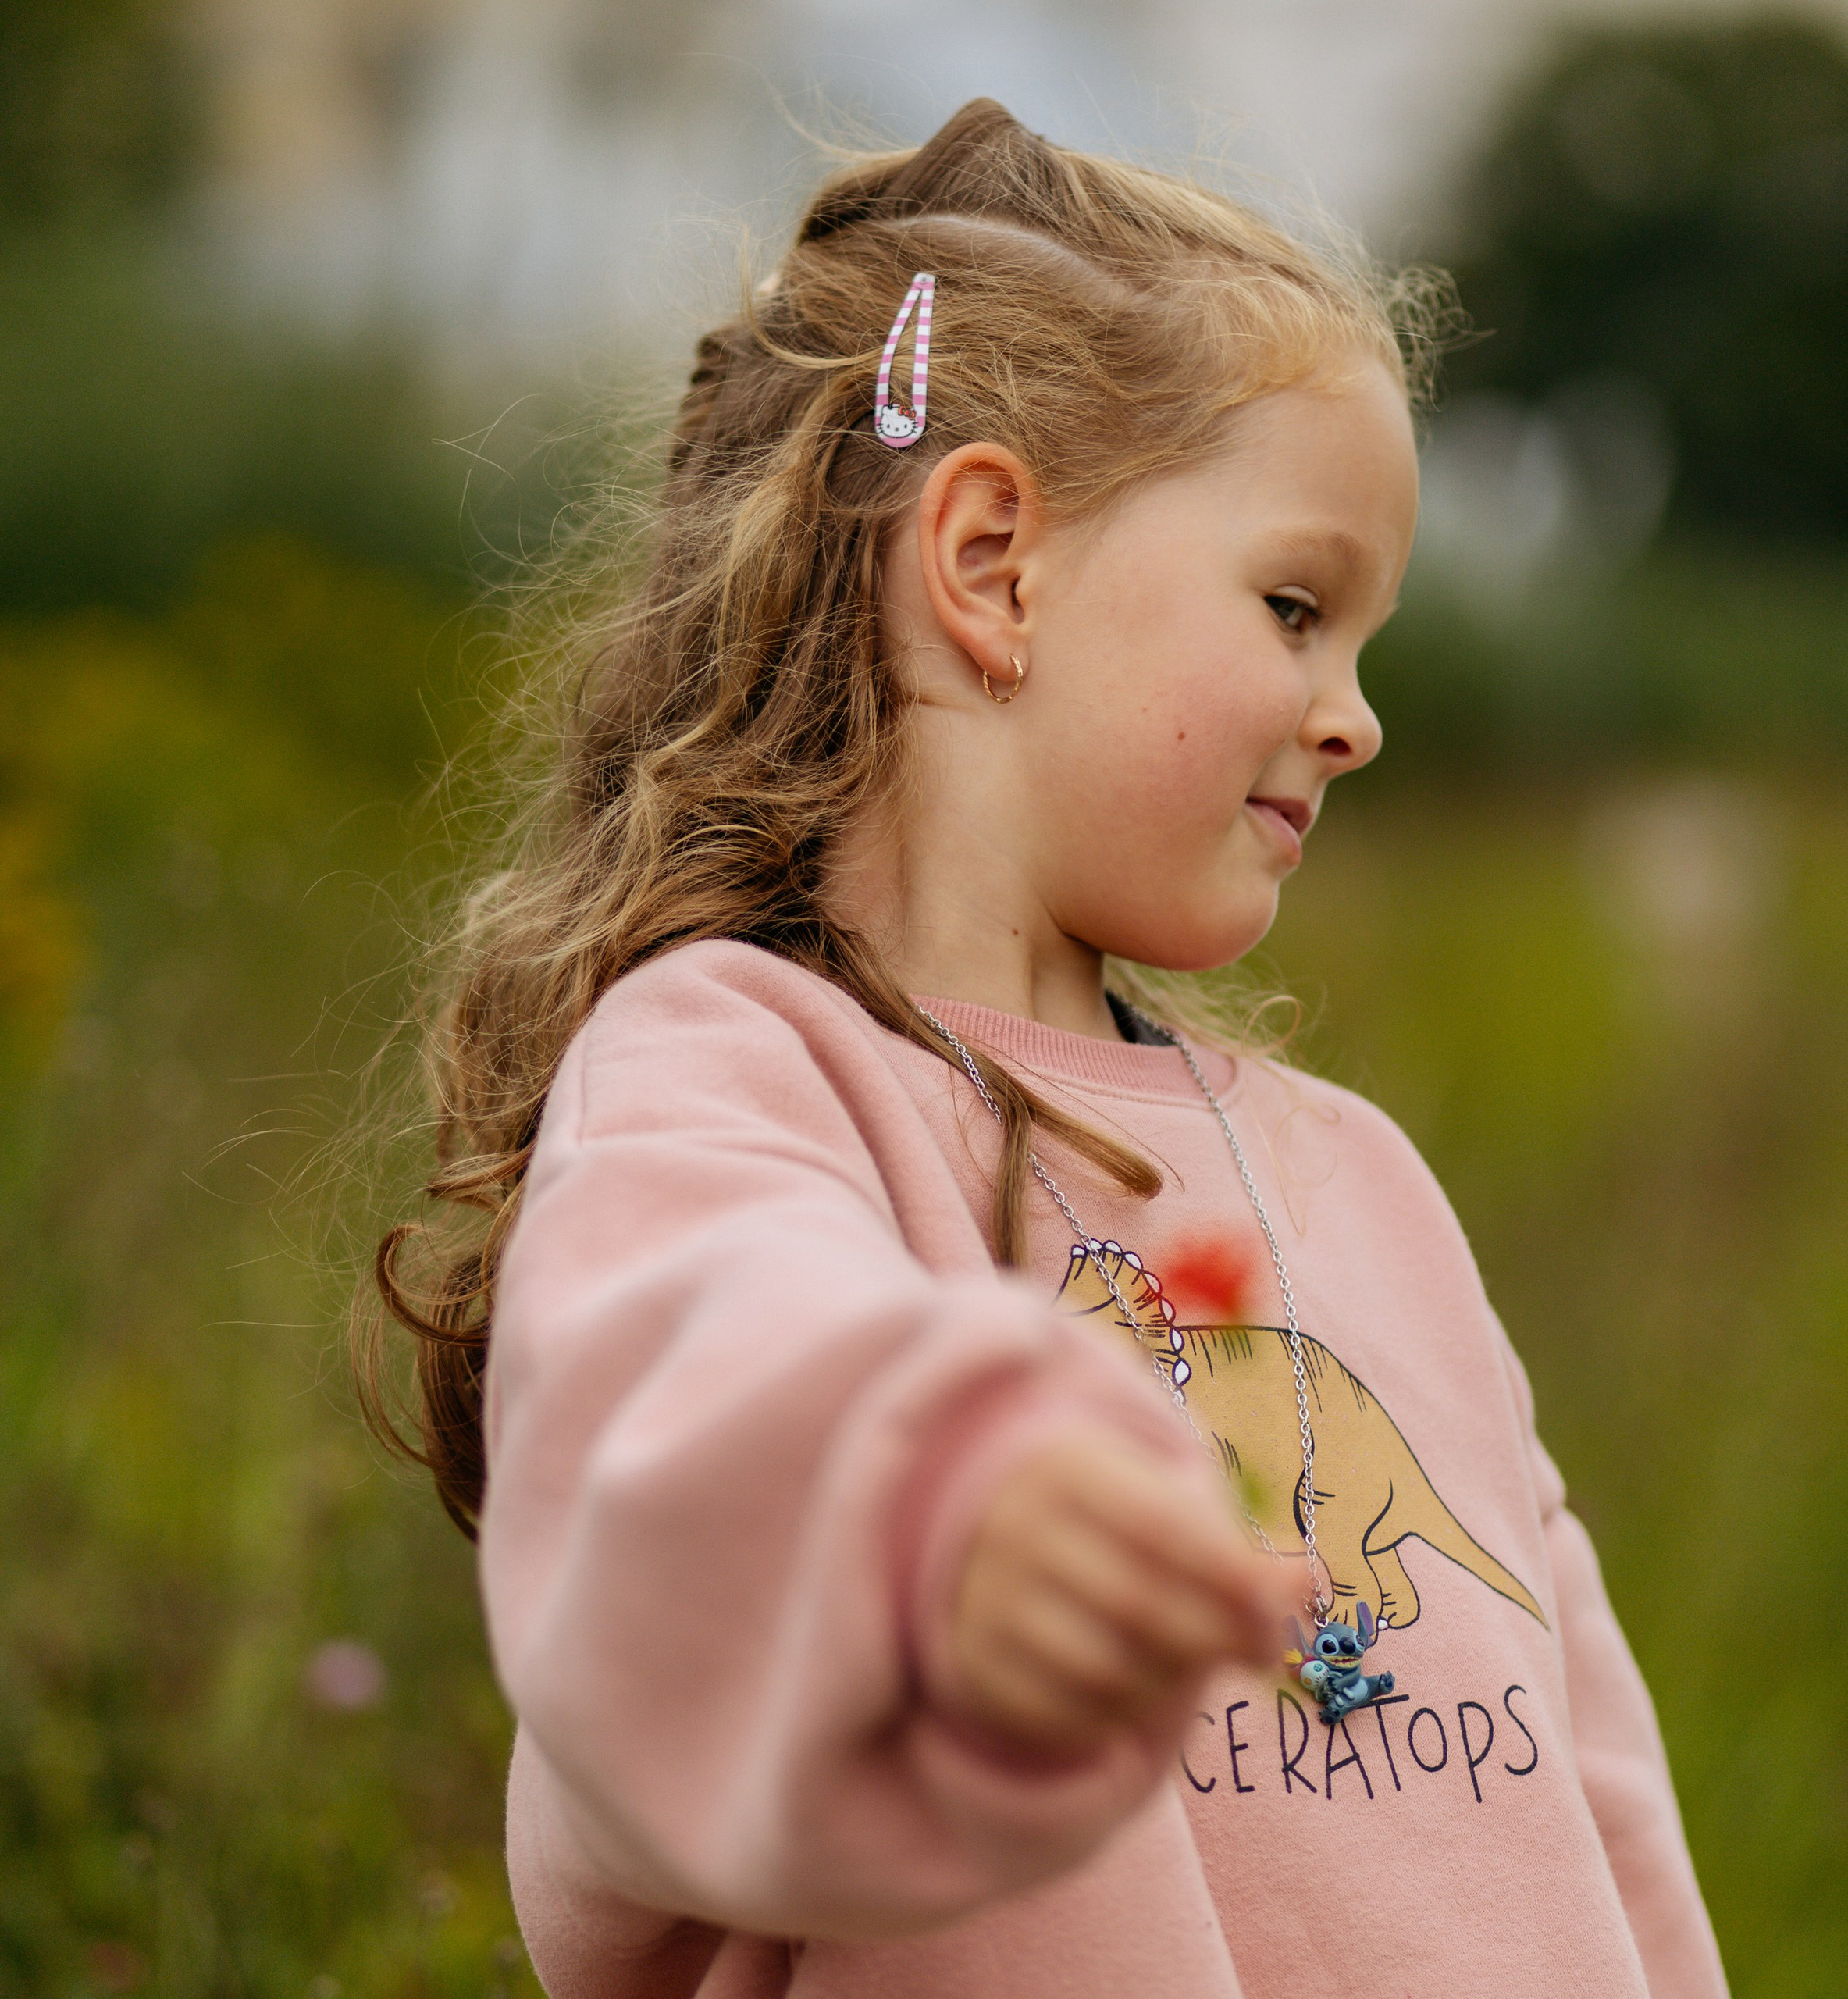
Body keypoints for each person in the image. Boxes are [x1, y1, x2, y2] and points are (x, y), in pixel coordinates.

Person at [366, 98, 1729, 1999]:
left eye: (1366, 643)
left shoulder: (1362, 1180)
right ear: (992, 556)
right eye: (1292, 605)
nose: (1354, 720)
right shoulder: (733, 1074)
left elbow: (1596, 1791)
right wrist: (932, 1526)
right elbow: (677, 1424)